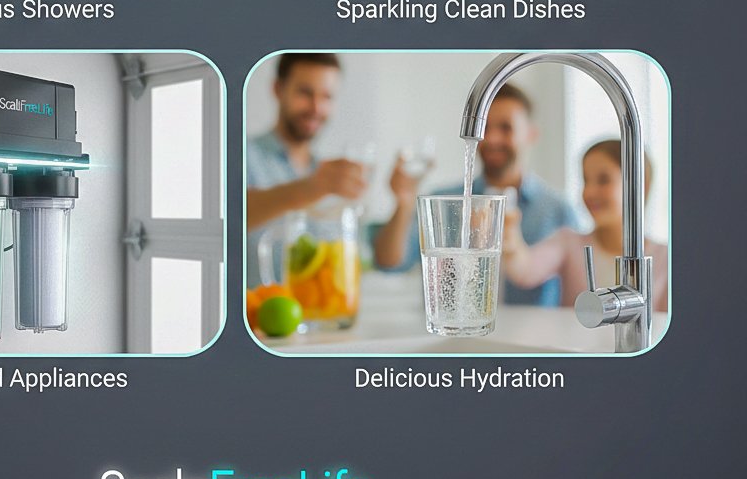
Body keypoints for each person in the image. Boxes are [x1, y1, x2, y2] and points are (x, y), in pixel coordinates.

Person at [373, 83, 580, 306]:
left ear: (531, 134)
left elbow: (577, 288)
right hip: (456, 335)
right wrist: (403, 202)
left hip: (534, 339)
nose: (491, 139)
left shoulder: (558, 211)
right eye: (485, 128)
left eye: (505, 128)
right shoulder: (446, 202)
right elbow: (390, 263)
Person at [245, 53, 417, 288]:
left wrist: (403, 203)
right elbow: (228, 217)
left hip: (325, 319)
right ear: (278, 89)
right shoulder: (242, 155)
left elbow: (383, 260)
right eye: (305, 93)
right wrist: (312, 188)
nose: (316, 107)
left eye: (326, 96)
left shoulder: (331, 174)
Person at [502, 140, 668, 311]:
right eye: (586, 180)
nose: (590, 191)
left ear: (640, 185)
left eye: (603, 180)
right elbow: (524, 270)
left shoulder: (665, 258)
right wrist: (510, 237)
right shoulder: (568, 243)